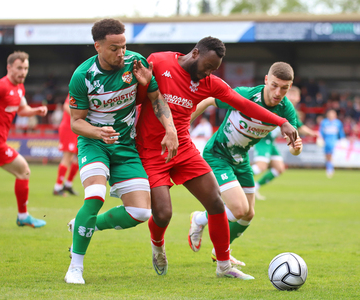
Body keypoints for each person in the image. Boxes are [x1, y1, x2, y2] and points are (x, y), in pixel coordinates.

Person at [95, 38, 298, 279]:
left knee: (214, 202)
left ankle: (223, 266)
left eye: (214, 69)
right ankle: (157, 245)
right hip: (151, 151)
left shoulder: (210, 83)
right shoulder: (159, 62)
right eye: (207, 66)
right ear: (194, 54)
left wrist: (282, 122)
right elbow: (137, 97)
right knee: (163, 214)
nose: (208, 73)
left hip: (184, 149)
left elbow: (244, 104)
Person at [64, 19, 178, 285]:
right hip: (95, 144)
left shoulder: (135, 63)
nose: (121, 53)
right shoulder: (83, 76)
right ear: (98, 46)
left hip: (126, 147)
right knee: (95, 196)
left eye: (124, 46)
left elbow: (156, 98)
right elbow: (76, 122)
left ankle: (85, 224)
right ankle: (75, 266)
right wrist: (98, 132)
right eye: (114, 48)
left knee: (140, 213)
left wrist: (170, 129)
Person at [187, 62, 303, 276]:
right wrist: (184, 124)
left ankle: (219, 250)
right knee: (239, 209)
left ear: (290, 86)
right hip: (218, 154)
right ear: (266, 80)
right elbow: (209, 100)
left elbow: (294, 147)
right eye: (275, 85)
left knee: (248, 215)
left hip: (240, 160)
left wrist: (296, 148)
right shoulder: (245, 95)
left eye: (284, 88)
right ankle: (199, 220)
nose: (278, 93)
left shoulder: (286, 108)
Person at [0, 51, 48, 228]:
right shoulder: (1, 85)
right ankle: (23, 216)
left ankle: (23, 216)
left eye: (26, 68)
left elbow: (21, 109)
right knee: (24, 170)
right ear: (9, 67)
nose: (23, 72)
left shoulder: (20, 87)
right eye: (19, 68)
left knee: (23, 171)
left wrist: (35, 111)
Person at [251, 85, 319, 200]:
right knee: (261, 167)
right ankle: (237, 179)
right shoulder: (280, 105)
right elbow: (300, 129)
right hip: (263, 139)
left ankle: (255, 187)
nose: (292, 97)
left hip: (271, 142)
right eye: (290, 95)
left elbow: (299, 127)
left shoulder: (292, 111)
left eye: (294, 95)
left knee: (279, 168)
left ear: (298, 98)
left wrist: (312, 133)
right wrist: (313, 133)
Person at [53, 94, 79, 196]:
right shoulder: (77, 87)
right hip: (69, 129)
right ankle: (57, 187)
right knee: (67, 157)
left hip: (78, 129)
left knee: (79, 157)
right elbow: (66, 106)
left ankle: (68, 184)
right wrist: (77, 116)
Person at [319, 109, 345, 178]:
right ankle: (329, 169)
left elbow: (341, 132)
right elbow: (321, 132)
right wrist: (320, 138)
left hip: (334, 142)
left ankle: (330, 169)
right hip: (326, 142)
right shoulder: (324, 122)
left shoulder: (338, 123)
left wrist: (342, 140)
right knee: (327, 156)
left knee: (332, 156)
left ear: (335, 115)